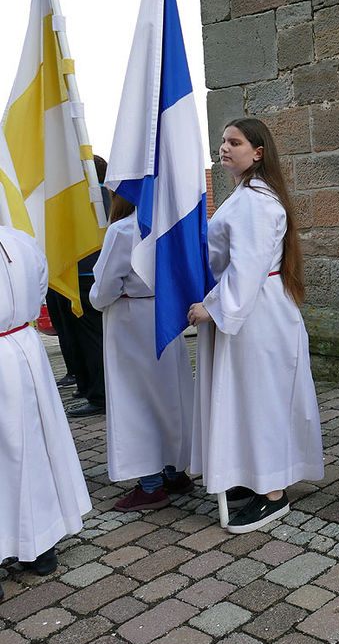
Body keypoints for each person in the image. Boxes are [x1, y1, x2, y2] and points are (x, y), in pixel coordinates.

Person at [188, 117, 324, 534]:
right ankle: (255, 476)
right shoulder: (248, 195)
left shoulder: (254, 201)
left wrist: (214, 309)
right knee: (248, 398)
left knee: (261, 399)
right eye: (222, 142)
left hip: (256, 313)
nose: (224, 148)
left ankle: (272, 494)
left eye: (235, 142)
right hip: (255, 309)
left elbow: (247, 267)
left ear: (258, 151)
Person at [0, 225, 91, 600]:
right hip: (24, 347)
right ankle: (40, 546)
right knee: (34, 446)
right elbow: (39, 288)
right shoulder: (21, 240)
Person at [89, 194, 196, 511]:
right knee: (170, 396)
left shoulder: (122, 231)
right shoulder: (173, 224)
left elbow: (103, 289)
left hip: (131, 319)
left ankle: (150, 484)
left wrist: (102, 295)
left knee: (134, 399)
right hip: (166, 314)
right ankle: (175, 471)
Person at [58, 155, 110, 418]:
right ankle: (92, 387)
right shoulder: (103, 194)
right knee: (86, 337)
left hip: (86, 274)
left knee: (92, 338)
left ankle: (100, 394)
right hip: (83, 274)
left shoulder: (95, 196)